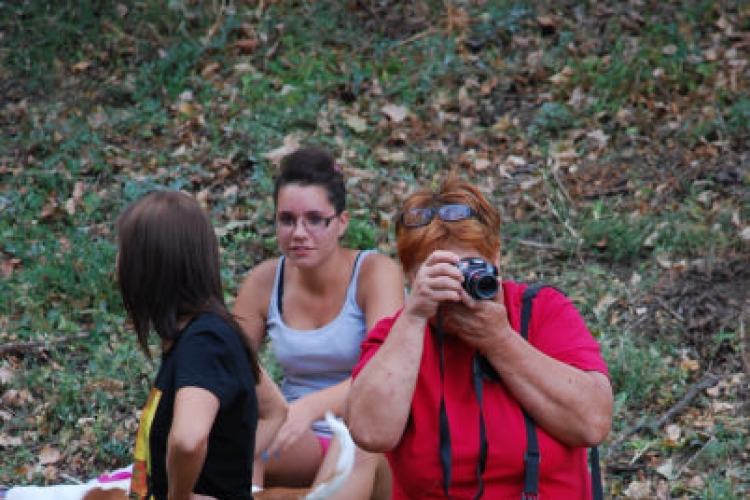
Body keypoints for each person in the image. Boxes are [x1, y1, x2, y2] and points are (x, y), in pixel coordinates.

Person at [344, 176, 614, 499]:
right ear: (412, 276)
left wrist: (500, 340)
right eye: (440, 272)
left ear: (496, 258)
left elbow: (593, 422)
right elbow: (370, 433)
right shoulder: (397, 338)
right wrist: (415, 317)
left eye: (470, 268)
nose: (457, 288)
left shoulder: (541, 312)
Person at [233, 146, 405, 499]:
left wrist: (307, 408)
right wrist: (269, 413)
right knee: (235, 433)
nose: (299, 232)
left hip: (369, 435)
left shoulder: (375, 274)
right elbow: (227, 366)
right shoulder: (264, 281)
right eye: (287, 219)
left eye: (315, 219)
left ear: (342, 223)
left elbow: (385, 375)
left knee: (359, 441)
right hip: (298, 435)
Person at [116, 190, 287, 500]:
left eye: (125, 254)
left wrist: (180, 497)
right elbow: (275, 410)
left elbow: (188, 439)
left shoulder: (205, 342)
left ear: (152, 267)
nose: (118, 264)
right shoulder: (208, 334)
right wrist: (228, 472)